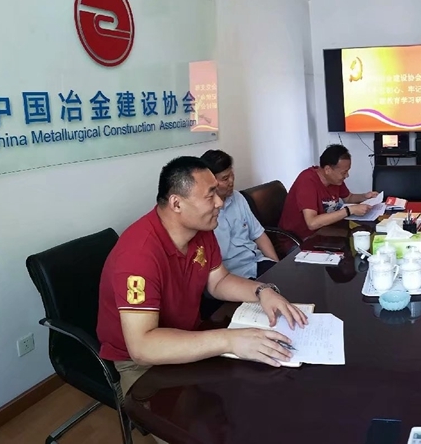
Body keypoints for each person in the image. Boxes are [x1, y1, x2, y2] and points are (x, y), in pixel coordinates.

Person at [96, 156, 309, 411]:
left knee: (251, 394)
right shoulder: (138, 255)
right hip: (142, 362)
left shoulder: (201, 231)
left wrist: (262, 291)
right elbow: (142, 347)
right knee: (187, 423)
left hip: (190, 334)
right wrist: (229, 340)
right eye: (210, 195)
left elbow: (219, 281)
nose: (220, 202)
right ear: (177, 203)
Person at [200, 149, 279, 280]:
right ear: (210, 182)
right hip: (232, 275)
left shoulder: (238, 197)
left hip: (256, 262)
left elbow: (259, 235)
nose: (231, 181)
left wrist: (277, 266)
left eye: (232, 175)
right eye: (225, 179)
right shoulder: (203, 213)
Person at [278, 144, 378, 240]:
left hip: (324, 232)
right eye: (344, 172)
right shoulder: (307, 182)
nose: (347, 176)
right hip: (301, 240)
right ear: (327, 170)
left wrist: (365, 196)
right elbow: (312, 223)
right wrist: (349, 210)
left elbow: (348, 198)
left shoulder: (334, 180)